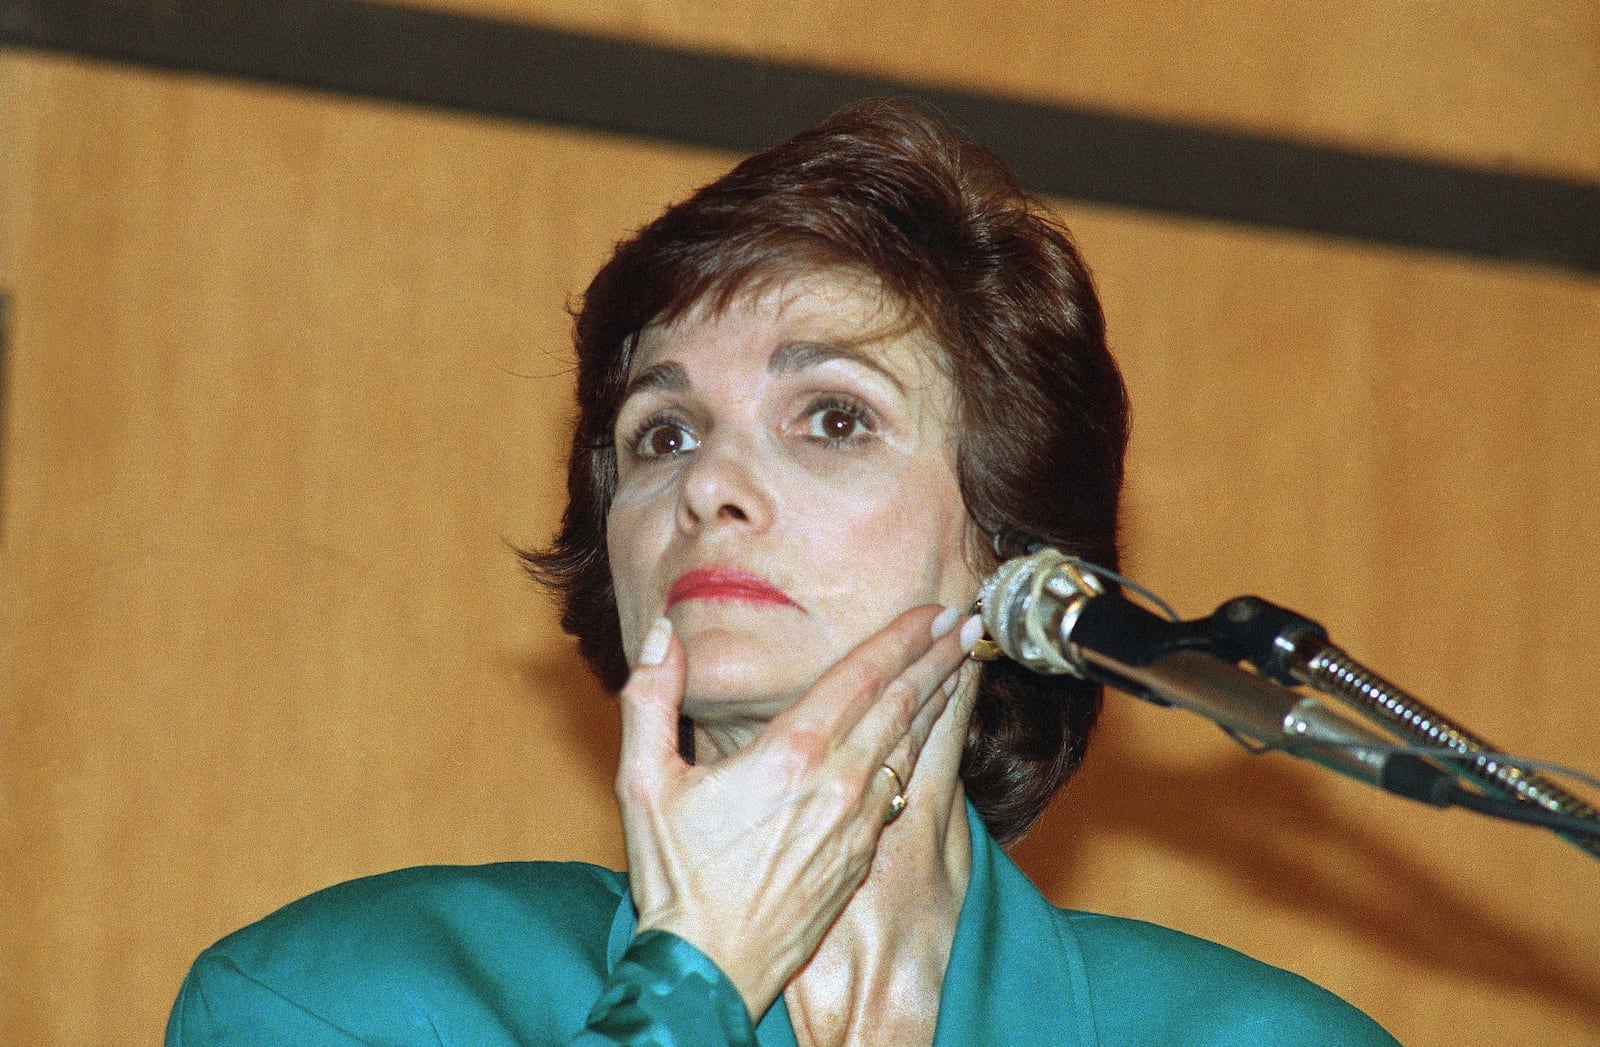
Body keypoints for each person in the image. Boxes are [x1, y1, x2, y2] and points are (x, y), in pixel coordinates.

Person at [166, 99, 1400, 1046]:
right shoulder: (348, 999)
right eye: (663, 433)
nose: (707, 483)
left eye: (832, 419)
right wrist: (691, 977)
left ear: (1010, 543)